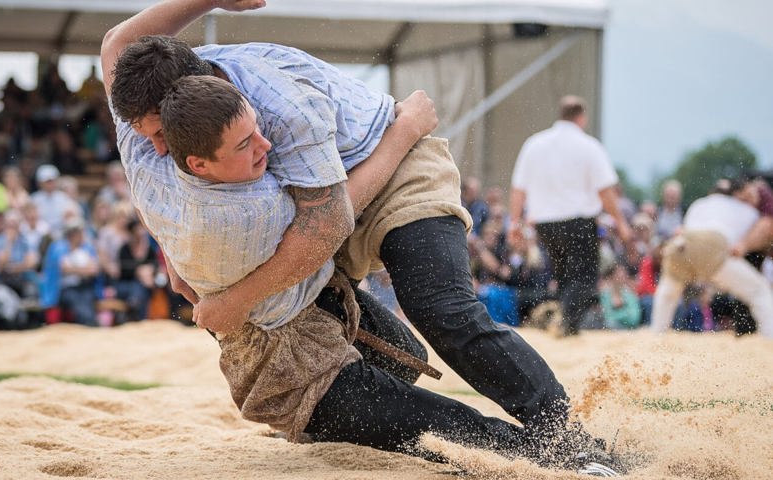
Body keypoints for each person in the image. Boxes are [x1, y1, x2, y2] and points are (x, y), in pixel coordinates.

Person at [102, 0, 582, 449]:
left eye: (163, 134)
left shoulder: (282, 112)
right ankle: (381, 363)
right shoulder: (152, 111)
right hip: (316, 203)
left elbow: (326, 226)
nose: (158, 151)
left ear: (192, 94)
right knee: (352, 347)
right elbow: (116, 46)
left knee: (440, 308)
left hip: (391, 169)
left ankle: (564, 436)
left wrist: (235, 300)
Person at [148, 73, 618, 474]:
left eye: (257, 131)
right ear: (196, 164)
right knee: (428, 397)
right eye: (245, 143)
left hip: (365, 218)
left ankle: (565, 433)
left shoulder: (162, 157)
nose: (265, 144)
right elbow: (324, 228)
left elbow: (118, 51)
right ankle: (559, 441)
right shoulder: (220, 215)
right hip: (300, 348)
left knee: (426, 328)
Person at [508, 95, 632, 336]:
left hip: (544, 223)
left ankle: (564, 322)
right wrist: (621, 222)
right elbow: (605, 191)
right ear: (582, 117)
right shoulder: (589, 146)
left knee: (564, 274)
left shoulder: (535, 144)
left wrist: (515, 222)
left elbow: (518, 189)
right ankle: (565, 324)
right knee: (583, 278)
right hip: (578, 221)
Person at [650, 178, 773, 338]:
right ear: (735, 195)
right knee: (759, 291)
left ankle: (657, 334)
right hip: (714, 245)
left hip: (681, 245)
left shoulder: (700, 203)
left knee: (667, 294)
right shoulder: (743, 208)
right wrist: (745, 246)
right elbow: (766, 228)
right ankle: (770, 338)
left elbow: (686, 230)